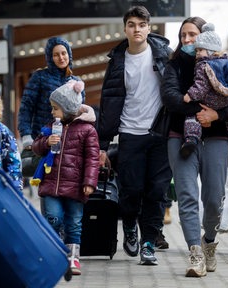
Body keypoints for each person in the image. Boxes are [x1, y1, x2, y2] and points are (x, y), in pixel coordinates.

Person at [161, 16, 228, 277]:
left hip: (217, 137)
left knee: (212, 198)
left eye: (192, 35)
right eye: (183, 35)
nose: (187, 40)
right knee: (186, 197)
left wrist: (217, 116)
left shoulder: (225, 62)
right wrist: (201, 111)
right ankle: (195, 254)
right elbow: (171, 98)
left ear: (205, 37)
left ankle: (209, 241)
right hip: (180, 136)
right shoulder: (173, 66)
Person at [97, 5, 172, 266]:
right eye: (132, 24)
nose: (137, 29)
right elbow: (108, 102)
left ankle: (148, 242)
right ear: (125, 28)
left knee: (157, 191)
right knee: (131, 190)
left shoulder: (164, 55)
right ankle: (129, 224)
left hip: (160, 134)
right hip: (130, 134)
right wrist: (103, 144)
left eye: (141, 24)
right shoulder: (118, 61)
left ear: (149, 28)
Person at [32, 79, 99, 276]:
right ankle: (53, 254)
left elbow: (92, 158)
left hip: (76, 186)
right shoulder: (50, 126)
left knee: (74, 222)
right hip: (51, 183)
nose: (52, 112)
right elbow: (36, 146)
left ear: (68, 108)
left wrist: (89, 182)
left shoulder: (87, 130)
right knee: (53, 217)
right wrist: (45, 142)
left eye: (55, 108)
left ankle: (73, 257)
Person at [181, 23, 228, 160]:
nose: (197, 54)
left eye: (200, 50)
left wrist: (189, 96)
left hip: (211, 101)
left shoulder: (203, 65)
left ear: (210, 51)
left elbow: (200, 86)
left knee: (193, 116)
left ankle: (191, 139)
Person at [18, 36, 85, 170]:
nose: (61, 58)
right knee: (44, 180)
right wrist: (26, 135)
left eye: (63, 53)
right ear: (50, 57)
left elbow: (79, 113)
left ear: (69, 55)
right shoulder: (40, 77)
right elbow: (26, 107)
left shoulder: (76, 82)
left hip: (67, 143)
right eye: (56, 54)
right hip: (42, 140)